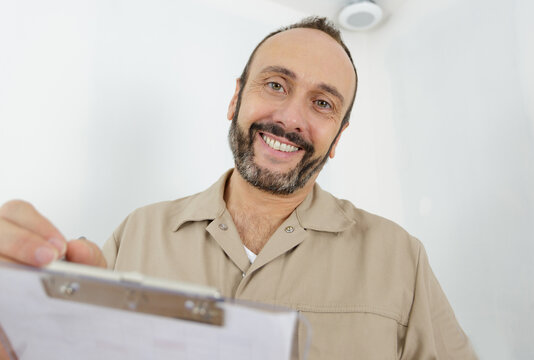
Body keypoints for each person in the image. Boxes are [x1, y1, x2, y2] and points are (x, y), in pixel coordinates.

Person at [0, 17, 476, 359]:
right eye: (275, 85)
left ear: (338, 138)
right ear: (236, 97)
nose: (291, 118)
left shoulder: (400, 257)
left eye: (323, 103)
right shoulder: (136, 233)